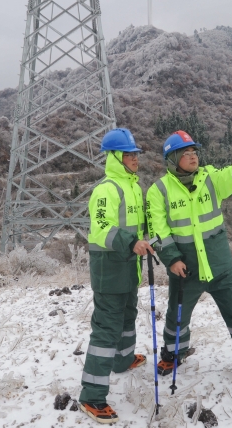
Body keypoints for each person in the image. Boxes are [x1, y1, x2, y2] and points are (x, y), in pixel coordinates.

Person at [146, 130, 232, 382]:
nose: (193, 157)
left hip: (219, 264)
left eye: (194, 152)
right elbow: (157, 231)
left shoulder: (209, 178)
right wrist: (173, 259)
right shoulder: (159, 191)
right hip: (184, 267)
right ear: (172, 158)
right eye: (185, 153)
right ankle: (173, 354)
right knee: (177, 314)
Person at [78, 128, 155, 424]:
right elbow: (101, 228)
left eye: (136, 154)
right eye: (129, 154)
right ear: (114, 157)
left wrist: (149, 239)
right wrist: (131, 243)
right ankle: (92, 396)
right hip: (109, 267)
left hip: (128, 266)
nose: (135, 159)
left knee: (126, 316)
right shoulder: (106, 189)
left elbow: (136, 224)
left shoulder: (134, 187)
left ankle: (122, 360)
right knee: (106, 330)